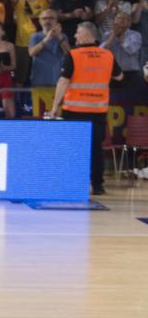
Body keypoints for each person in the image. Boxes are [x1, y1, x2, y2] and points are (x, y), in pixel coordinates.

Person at [48, 21, 123, 195]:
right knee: (96, 148)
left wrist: (54, 107)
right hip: (98, 111)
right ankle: (97, 185)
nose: (75, 35)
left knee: (73, 148)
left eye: (77, 32)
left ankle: (73, 183)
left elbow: (63, 81)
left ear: (88, 34)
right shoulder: (107, 55)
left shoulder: (73, 55)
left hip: (74, 111)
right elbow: (119, 76)